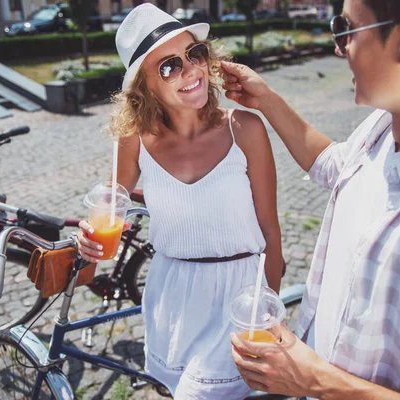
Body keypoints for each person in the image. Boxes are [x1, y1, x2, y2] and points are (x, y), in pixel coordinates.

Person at [223, 0, 400, 398]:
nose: (339, 47)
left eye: (346, 29)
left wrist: (314, 381)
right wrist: (265, 99)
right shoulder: (389, 121)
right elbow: (336, 165)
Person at [76, 3, 283, 398]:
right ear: (145, 86)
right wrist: (88, 241)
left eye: (195, 54)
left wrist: (265, 313)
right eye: (169, 67)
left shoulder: (246, 129)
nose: (190, 71)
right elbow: (108, 216)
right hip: (172, 296)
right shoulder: (133, 140)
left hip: (239, 296)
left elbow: (271, 234)